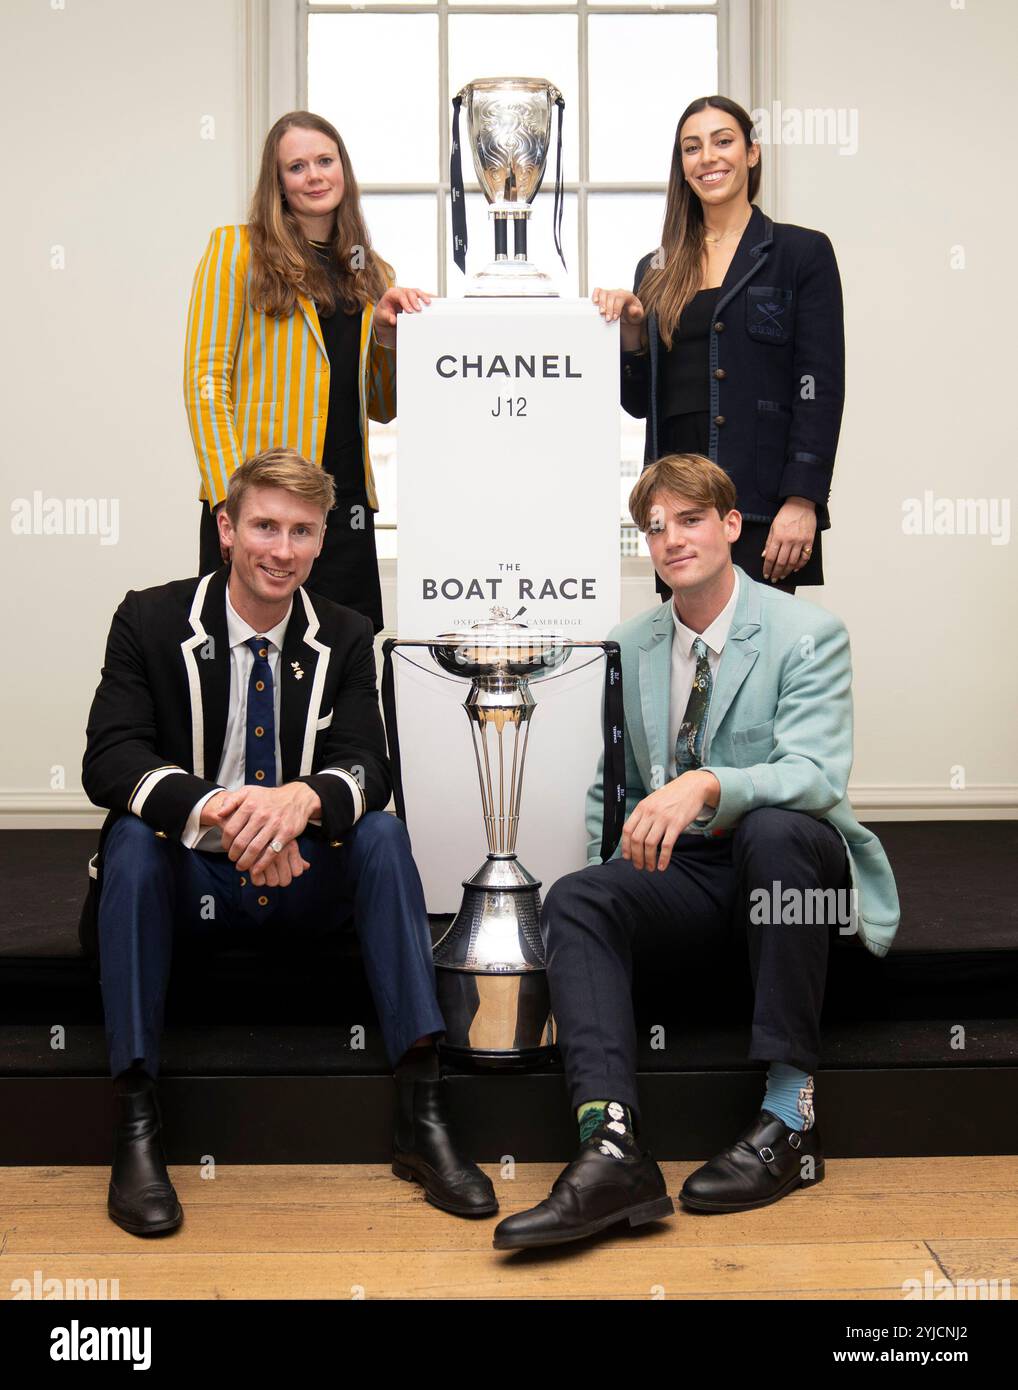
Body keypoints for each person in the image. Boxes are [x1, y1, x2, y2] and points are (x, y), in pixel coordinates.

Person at [82, 449, 495, 1237]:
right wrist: (233, 816)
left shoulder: (345, 633)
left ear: (319, 540)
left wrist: (301, 801)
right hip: (192, 877)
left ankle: (422, 1110)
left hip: (301, 877)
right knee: (131, 838)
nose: (282, 549)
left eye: (301, 531)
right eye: (265, 526)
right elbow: (112, 757)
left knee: (378, 834)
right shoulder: (151, 617)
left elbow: (370, 766)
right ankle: (135, 1124)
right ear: (226, 529)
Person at [492, 453, 899, 1251]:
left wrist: (707, 785)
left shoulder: (806, 631)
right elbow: (611, 789)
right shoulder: (630, 642)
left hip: (790, 878)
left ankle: (789, 1119)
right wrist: (613, 870)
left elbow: (815, 776)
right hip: (689, 878)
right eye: (654, 527)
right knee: (578, 895)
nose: (671, 538)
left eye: (689, 519)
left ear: (730, 526)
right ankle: (611, 1152)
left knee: (778, 828)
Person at [184, 110, 431, 633]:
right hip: (264, 500)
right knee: (242, 654)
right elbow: (206, 381)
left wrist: (388, 338)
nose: (315, 175)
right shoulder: (236, 249)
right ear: (278, 182)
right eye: (297, 167)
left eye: (325, 160)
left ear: (344, 168)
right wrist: (233, 498)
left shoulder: (373, 271)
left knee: (344, 650)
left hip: (344, 504)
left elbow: (381, 406)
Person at [592, 95, 845, 596]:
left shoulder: (801, 253)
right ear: (681, 166)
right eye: (692, 147)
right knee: (686, 664)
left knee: (756, 661)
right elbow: (640, 402)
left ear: (751, 153)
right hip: (676, 509)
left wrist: (802, 501)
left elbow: (820, 386)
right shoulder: (656, 268)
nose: (707, 157)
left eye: (722, 141)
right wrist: (632, 337)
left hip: (759, 506)